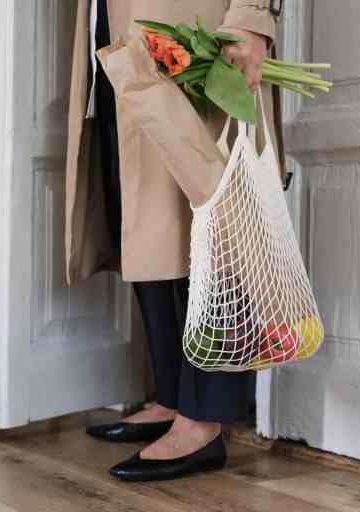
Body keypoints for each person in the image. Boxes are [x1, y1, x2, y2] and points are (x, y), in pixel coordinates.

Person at [65, 0, 283, 482]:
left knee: (217, 226)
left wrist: (251, 18)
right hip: (122, 33)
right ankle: (173, 397)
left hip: (189, 31)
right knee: (148, 227)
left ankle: (205, 419)